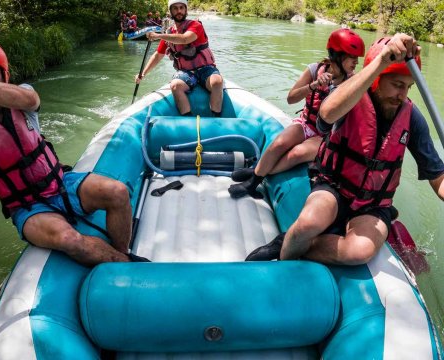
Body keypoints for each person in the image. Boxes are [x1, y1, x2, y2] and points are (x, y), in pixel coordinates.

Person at [246, 33, 444, 265]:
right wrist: (381, 61)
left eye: (408, 87)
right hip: (334, 187)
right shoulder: (350, 96)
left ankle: (299, 246)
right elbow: (326, 114)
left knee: (358, 252)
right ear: (376, 79)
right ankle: (290, 246)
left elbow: (437, 176)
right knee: (307, 225)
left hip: (374, 204)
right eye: (397, 85)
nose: (402, 95)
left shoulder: (411, 117)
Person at [0, 41, 148, 266]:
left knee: (118, 192)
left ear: (5, 75)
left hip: (60, 182)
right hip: (27, 208)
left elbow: (29, 100)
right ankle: (127, 265)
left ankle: (122, 252)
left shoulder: (25, 95)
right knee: (68, 238)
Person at [228, 29, 365, 199]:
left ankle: (256, 175)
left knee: (297, 153)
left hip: (328, 136)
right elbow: (290, 99)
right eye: (352, 57)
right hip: (306, 123)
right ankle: (253, 181)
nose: (356, 62)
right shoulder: (315, 69)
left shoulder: (353, 83)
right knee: (279, 143)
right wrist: (313, 86)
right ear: (338, 55)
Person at [135, 0, 223, 117]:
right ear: (170, 11)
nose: (179, 11)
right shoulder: (169, 33)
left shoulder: (196, 25)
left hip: (206, 68)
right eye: (175, 8)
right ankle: (188, 119)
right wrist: (143, 74)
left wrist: (158, 35)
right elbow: (158, 55)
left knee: (217, 82)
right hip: (186, 73)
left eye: (182, 8)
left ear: (186, 10)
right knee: (175, 85)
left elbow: (185, 39)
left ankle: (216, 118)